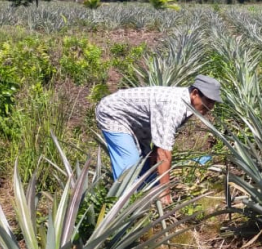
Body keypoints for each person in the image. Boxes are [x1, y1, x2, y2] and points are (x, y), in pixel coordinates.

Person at [95, 74, 222, 204]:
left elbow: (160, 140)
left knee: (147, 176)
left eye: (213, 102)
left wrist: (154, 159)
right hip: (113, 113)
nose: (211, 106)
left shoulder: (188, 105)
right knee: (131, 166)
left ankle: (143, 208)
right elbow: (163, 153)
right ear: (195, 93)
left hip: (136, 124)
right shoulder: (173, 106)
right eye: (209, 101)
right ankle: (121, 210)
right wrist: (165, 193)